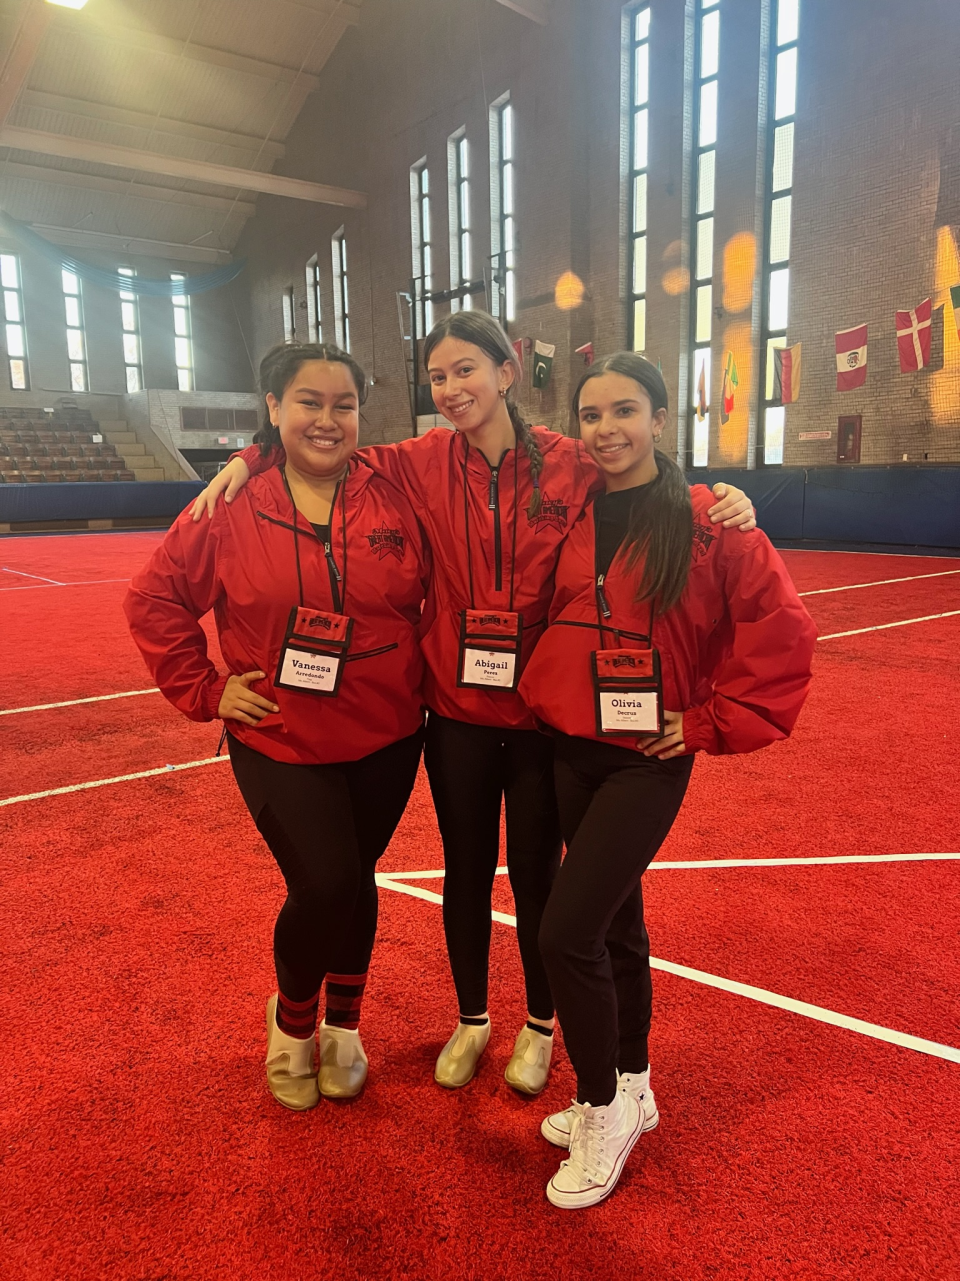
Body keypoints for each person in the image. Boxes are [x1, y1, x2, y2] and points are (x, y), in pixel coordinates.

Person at [191, 311, 756, 1097]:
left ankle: (539, 1025)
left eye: (466, 370)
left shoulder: (571, 463)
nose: (452, 388)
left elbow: (644, 474)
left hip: (538, 719)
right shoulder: (415, 461)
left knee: (536, 877)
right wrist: (247, 454)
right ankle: (472, 1017)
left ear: (507, 371)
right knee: (465, 872)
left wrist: (721, 495)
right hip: (453, 710)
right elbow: (321, 438)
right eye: (438, 377)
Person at [518, 352, 816, 1209]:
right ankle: (635, 1083)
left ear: (658, 418)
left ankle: (601, 1106)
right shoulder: (569, 506)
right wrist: (250, 457)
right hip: (570, 742)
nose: (606, 428)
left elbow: (784, 629)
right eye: (591, 413)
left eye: (625, 410)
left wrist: (712, 720)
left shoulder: (709, 518)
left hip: (648, 757)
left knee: (565, 931)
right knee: (615, 927)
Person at [125, 342, 430, 1111]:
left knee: (356, 881)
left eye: (344, 405)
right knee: (323, 881)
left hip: (389, 731)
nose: (327, 420)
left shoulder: (398, 489)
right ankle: (293, 1025)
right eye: (308, 402)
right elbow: (153, 600)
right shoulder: (229, 505)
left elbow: (489, 452)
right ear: (273, 408)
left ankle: (345, 1027)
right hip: (280, 734)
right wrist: (205, 689)